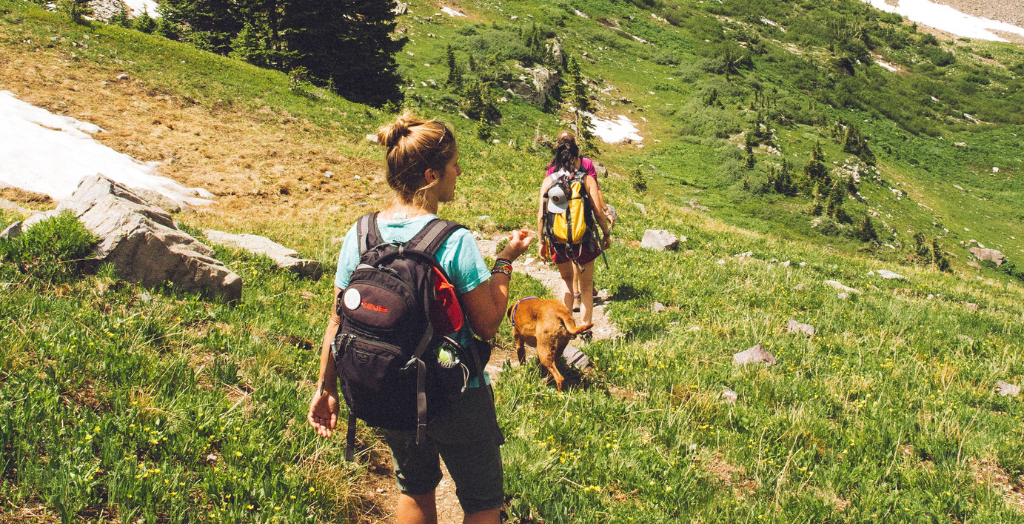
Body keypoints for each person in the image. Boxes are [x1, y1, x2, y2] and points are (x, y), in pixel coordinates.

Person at [308, 112, 533, 524]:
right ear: (431, 175)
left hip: (392, 388)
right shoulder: (453, 239)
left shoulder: (361, 233)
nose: (459, 172)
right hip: (456, 391)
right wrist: (504, 262)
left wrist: (326, 386)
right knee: (483, 502)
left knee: (414, 490)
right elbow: (487, 324)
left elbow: (338, 319)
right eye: (453, 165)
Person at [537, 131, 612, 328]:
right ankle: (586, 329)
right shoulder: (587, 179)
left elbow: (541, 216)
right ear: (577, 155)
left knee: (566, 280)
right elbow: (598, 212)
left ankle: (566, 327)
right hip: (584, 238)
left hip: (558, 240)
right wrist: (606, 234)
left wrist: (541, 242)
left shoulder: (548, 180)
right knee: (587, 287)